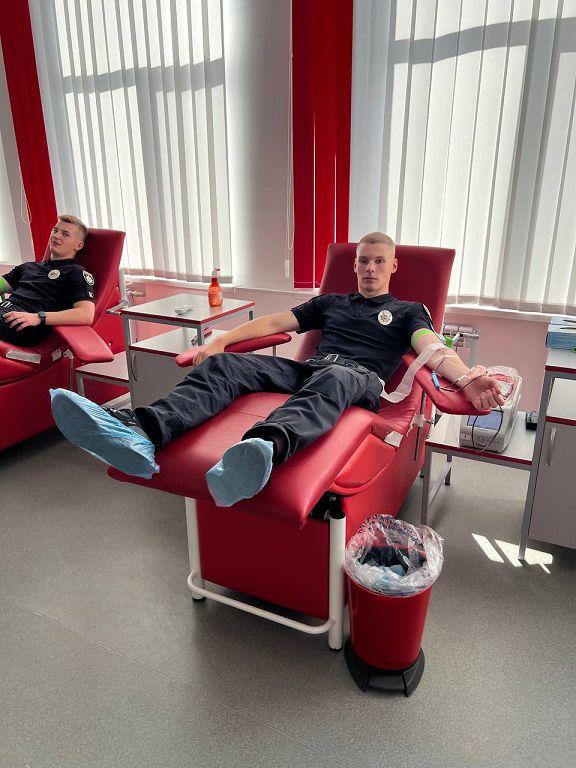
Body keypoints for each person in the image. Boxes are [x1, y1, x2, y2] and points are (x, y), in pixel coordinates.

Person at [51, 232, 504, 506]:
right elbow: (273, 323)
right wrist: (221, 341)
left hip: (358, 380)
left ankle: (261, 450)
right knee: (227, 366)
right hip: (311, 370)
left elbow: (431, 347)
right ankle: (142, 432)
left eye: (378, 261)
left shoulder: (408, 310)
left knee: (336, 376)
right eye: (363, 260)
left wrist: (466, 378)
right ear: (355, 265)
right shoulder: (332, 302)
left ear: (393, 267)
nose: (369, 268)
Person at [0, 215, 95, 347]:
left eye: (65, 234)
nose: (56, 236)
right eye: (55, 231)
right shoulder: (28, 267)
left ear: (79, 245)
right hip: (4, 312)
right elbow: (2, 285)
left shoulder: (76, 272)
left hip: (22, 322)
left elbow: (86, 314)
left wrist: (39, 317)